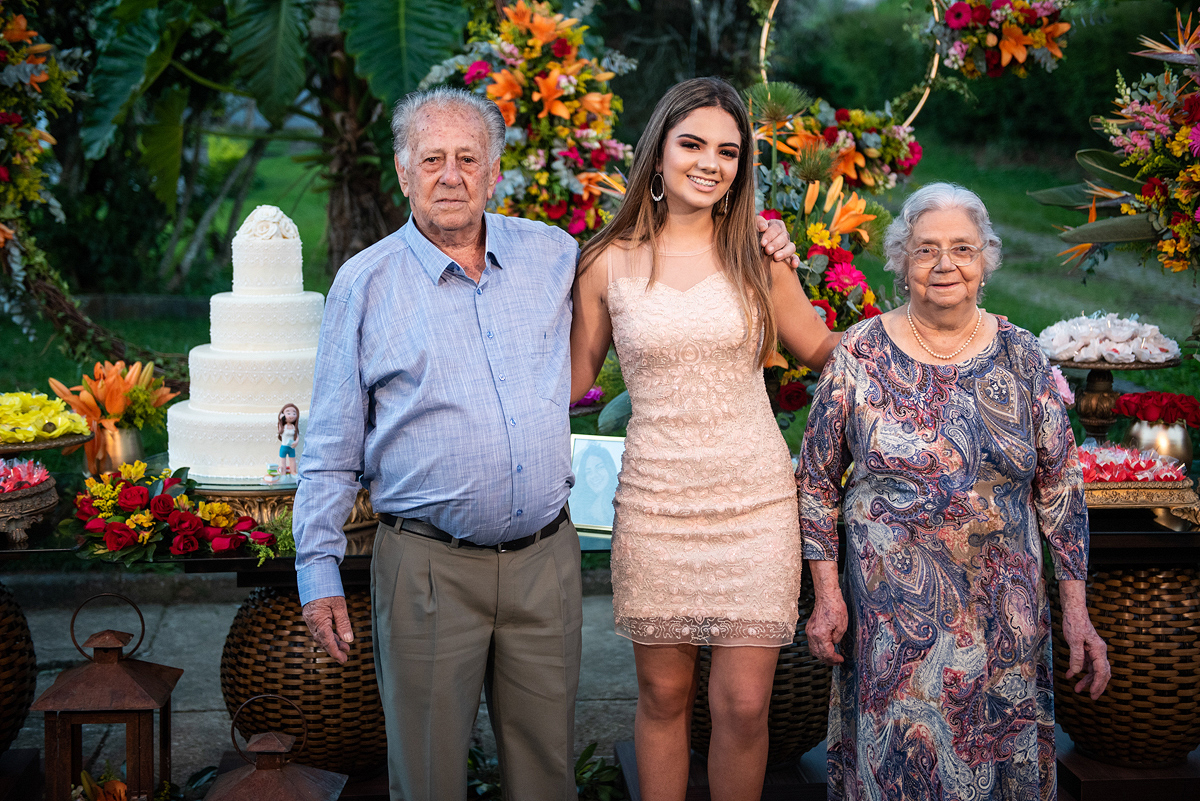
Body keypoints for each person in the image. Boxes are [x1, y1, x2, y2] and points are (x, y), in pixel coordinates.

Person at [293, 86, 800, 801]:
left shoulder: (553, 255)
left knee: (546, 775)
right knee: (431, 776)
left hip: (544, 561)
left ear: (494, 170)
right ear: (403, 172)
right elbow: (330, 443)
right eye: (431, 159)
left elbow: (646, 291)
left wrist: (768, 242)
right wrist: (317, 572)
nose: (451, 175)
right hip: (429, 563)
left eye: (469, 158)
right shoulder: (366, 284)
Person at [570, 77, 841, 801]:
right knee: (664, 699)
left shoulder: (760, 255)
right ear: (657, 153)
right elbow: (568, 385)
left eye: (728, 151)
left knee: (744, 704)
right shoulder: (607, 261)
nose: (709, 162)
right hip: (657, 505)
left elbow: (821, 349)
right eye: (692, 144)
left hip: (754, 503)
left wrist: (929, 334)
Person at [798, 182, 1111, 801]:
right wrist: (827, 595)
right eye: (926, 249)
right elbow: (813, 481)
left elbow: (1060, 490)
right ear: (901, 261)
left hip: (1006, 619)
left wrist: (1076, 609)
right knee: (902, 772)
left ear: (986, 258)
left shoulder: (1023, 356)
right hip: (895, 622)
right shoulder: (860, 354)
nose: (945, 265)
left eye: (962, 248)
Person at [570, 443, 620, 528]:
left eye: (599, 467)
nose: (594, 475)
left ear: (609, 469)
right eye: (588, 471)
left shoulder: (621, 500)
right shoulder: (582, 501)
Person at [277, 403, 299, 479]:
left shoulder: (293, 427)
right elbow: (279, 431)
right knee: (283, 461)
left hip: (291, 447)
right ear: (283, 414)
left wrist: (296, 442)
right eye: (288, 413)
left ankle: (293, 472)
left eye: (294, 413)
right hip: (284, 447)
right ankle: (283, 473)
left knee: (292, 460)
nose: (291, 415)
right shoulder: (283, 427)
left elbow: (297, 436)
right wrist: (280, 420)